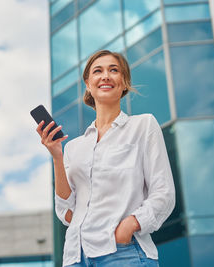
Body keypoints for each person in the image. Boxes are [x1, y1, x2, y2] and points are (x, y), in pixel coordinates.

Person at [36, 50, 175, 267]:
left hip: (122, 253)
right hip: (75, 257)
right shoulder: (74, 147)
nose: (106, 76)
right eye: (98, 71)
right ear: (88, 84)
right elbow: (66, 211)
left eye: (114, 70)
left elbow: (164, 193)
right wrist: (57, 157)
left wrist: (131, 224)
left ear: (124, 82)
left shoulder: (143, 126)